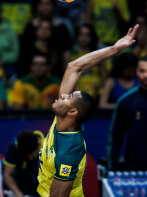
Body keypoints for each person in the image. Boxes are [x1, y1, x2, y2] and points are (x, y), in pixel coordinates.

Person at [37, 24, 139, 197]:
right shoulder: (64, 118)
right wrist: (115, 49)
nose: (63, 96)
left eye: (68, 97)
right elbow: (74, 67)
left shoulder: (68, 153)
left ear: (72, 112)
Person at [106, 56, 147, 171]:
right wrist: (111, 169)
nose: (145, 75)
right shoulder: (126, 101)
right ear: (136, 72)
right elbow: (115, 138)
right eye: (142, 71)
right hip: (135, 169)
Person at [70, 24, 107, 98]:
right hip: (76, 90)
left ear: (92, 37)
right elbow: (66, 77)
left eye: (87, 35)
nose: (84, 38)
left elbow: (104, 77)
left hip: (96, 92)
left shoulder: (99, 55)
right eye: (81, 35)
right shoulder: (70, 55)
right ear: (77, 36)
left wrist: (98, 88)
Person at [4, 130, 45, 197]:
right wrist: (17, 192)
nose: (30, 159)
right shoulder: (14, 146)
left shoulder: (51, 149)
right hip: (23, 192)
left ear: (39, 143)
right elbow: (8, 174)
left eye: (31, 156)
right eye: (26, 157)